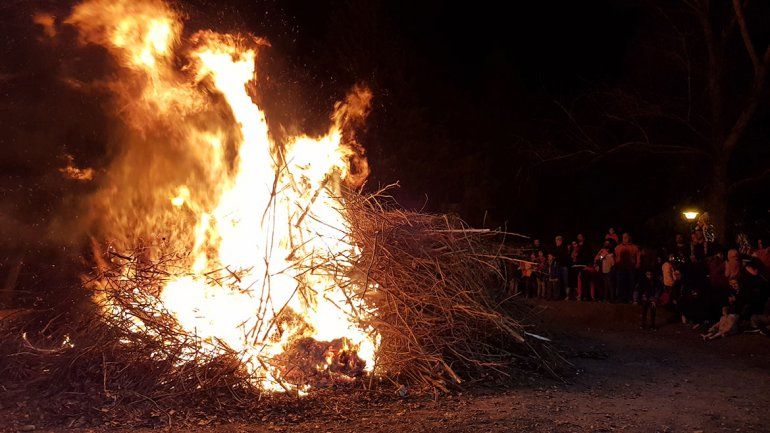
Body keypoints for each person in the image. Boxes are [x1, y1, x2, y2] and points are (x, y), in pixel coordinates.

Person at [615, 233, 641, 303]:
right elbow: (616, 257)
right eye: (624, 237)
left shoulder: (635, 247)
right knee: (621, 283)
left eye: (626, 237)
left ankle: (629, 298)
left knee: (630, 283)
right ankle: (621, 298)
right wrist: (616, 264)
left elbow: (638, 257)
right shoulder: (618, 247)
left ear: (629, 238)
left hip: (631, 268)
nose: (625, 238)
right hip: (621, 268)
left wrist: (637, 264)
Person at [551, 236, 571, 300]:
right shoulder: (556, 247)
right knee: (558, 281)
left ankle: (567, 295)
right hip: (558, 266)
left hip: (564, 266)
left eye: (557, 240)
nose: (556, 241)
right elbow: (554, 255)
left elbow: (563, 256)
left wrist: (555, 257)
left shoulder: (564, 247)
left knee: (565, 282)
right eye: (556, 240)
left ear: (560, 240)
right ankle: (558, 296)